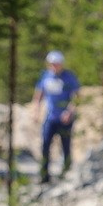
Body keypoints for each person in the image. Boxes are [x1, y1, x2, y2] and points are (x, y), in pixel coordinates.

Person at [33, 50, 80, 184]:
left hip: (65, 119)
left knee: (65, 146)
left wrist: (69, 111)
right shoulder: (45, 76)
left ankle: (66, 172)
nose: (54, 66)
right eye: (52, 64)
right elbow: (39, 93)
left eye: (56, 64)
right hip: (50, 118)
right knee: (45, 145)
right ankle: (44, 175)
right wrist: (36, 110)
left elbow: (76, 96)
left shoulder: (69, 77)